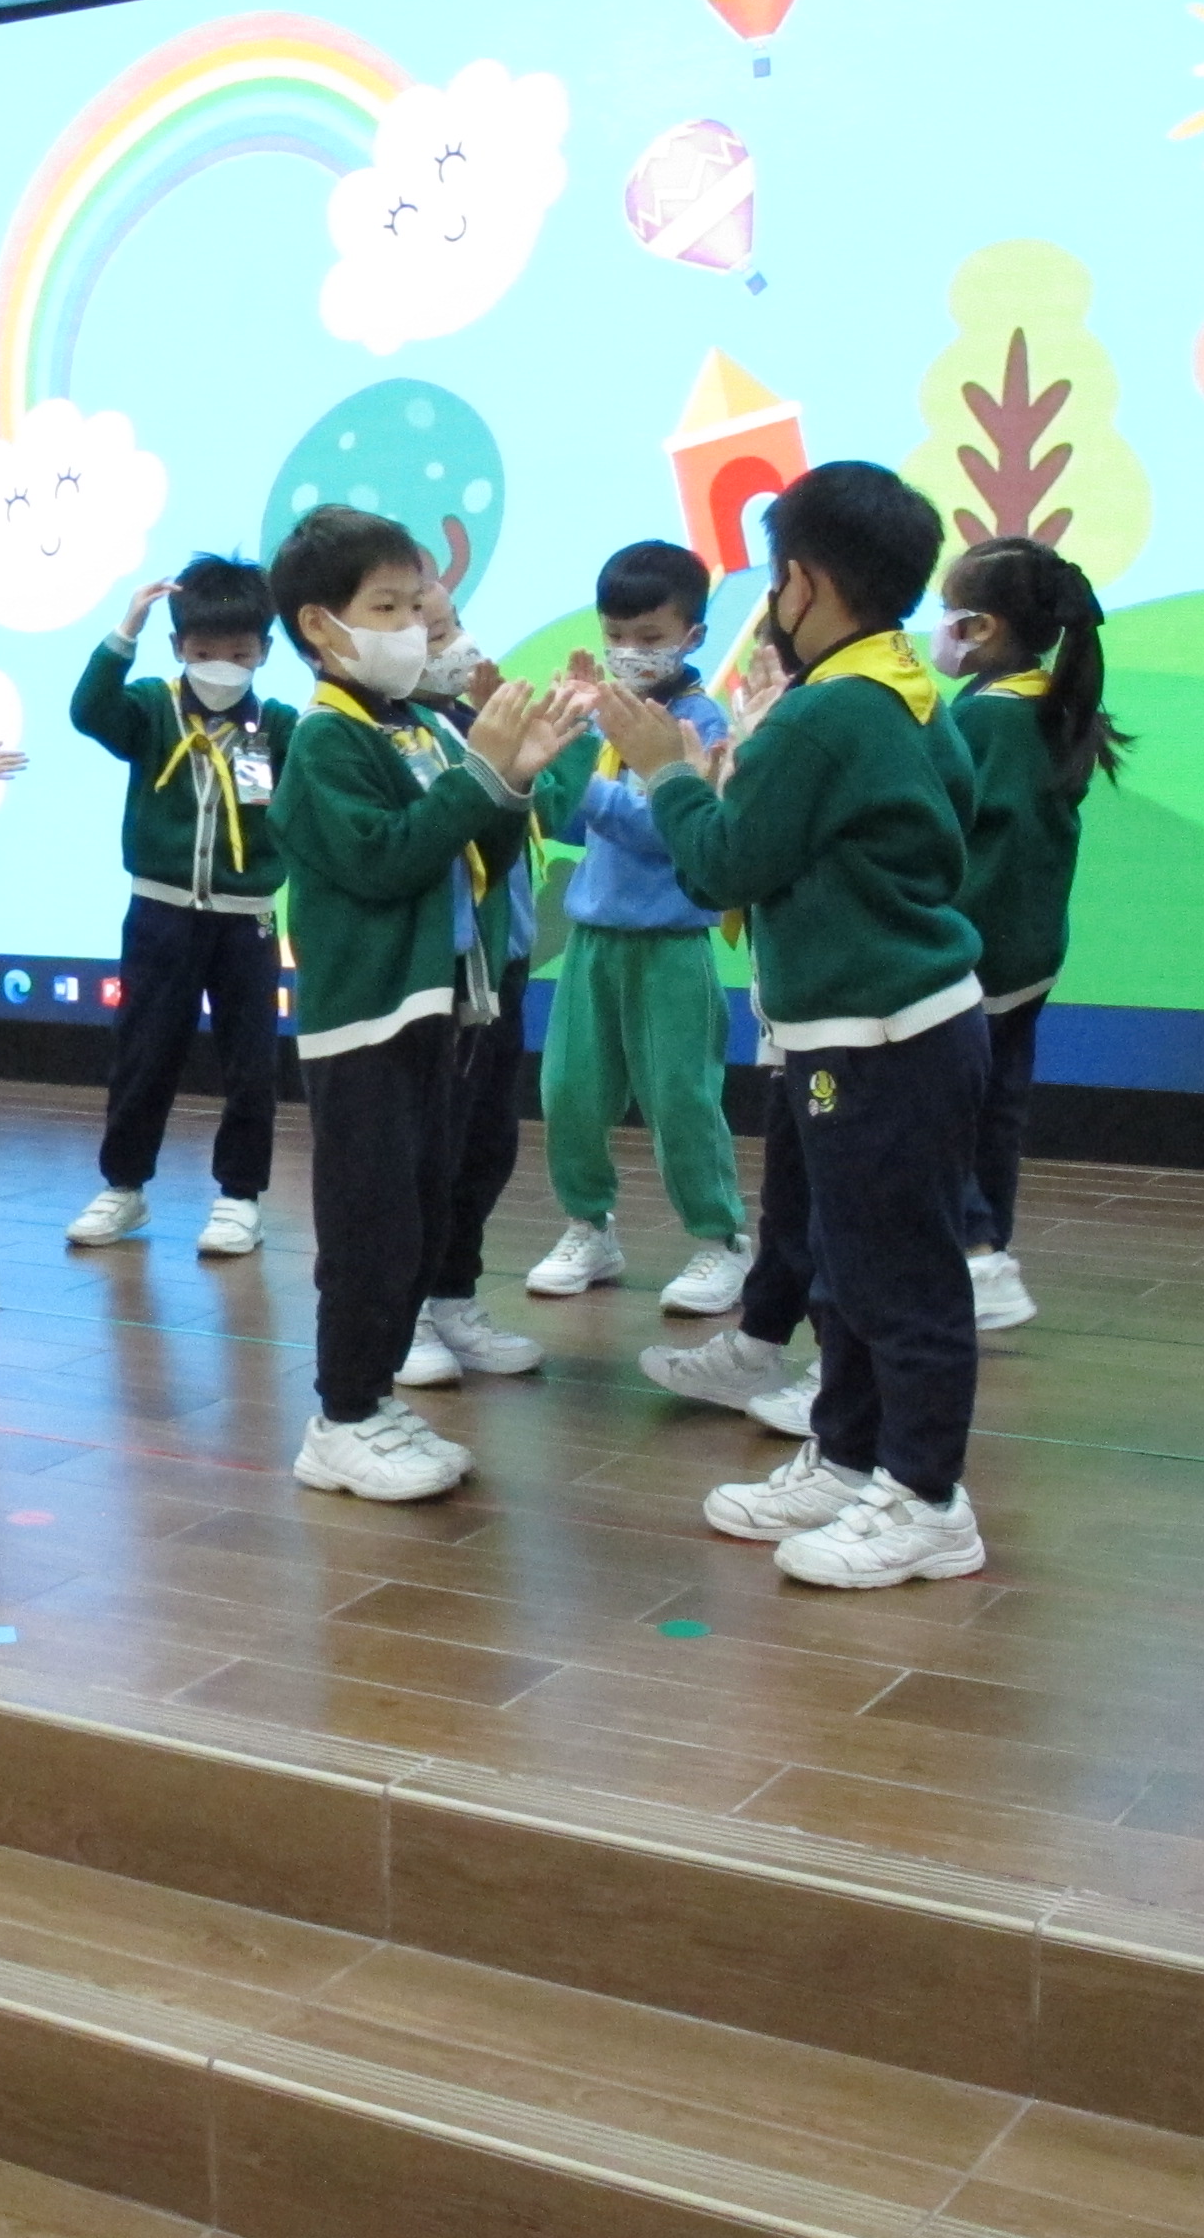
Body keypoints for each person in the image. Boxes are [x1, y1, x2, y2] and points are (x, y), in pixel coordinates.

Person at [632, 462, 991, 1590]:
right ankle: (847, 1458)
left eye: (775, 577)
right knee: (851, 1259)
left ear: (804, 581)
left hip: (878, 1036)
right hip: (886, 1026)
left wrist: (668, 776)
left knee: (898, 1277)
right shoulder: (903, 689)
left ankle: (927, 1499)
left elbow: (722, 865)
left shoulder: (826, 712)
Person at [269, 506, 581, 1502]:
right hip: (368, 1017)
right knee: (367, 1225)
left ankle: (373, 1397)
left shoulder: (411, 727)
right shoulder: (327, 739)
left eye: (417, 606)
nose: (413, 627)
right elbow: (384, 859)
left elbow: (478, 847)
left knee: (417, 1212)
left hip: (441, 1008)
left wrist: (512, 781)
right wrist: (480, 775)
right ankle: (341, 1417)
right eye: (388, 608)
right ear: (321, 626)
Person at [525, 541, 750, 1314]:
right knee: (570, 1094)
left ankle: (721, 1240)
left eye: (650, 637)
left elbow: (665, 827)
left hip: (672, 946)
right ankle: (589, 1226)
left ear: (693, 636)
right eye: (616, 635)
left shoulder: (699, 721)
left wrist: (586, 785)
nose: (629, 652)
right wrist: (551, 755)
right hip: (593, 941)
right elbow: (572, 821)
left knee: (682, 1099)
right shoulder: (605, 715)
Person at [64, 555, 296, 1259]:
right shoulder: (150, 708)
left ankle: (239, 1197)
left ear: (265, 652)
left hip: (247, 920)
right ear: (177, 648)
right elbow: (88, 713)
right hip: (160, 915)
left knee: (250, 1062)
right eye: (203, 652)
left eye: (240, 654)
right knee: (145, 1053)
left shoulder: (279, 725)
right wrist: (124, 631)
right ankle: (124, 1186)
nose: (222, 667)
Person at [934, 534, 1128, 1333]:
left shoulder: (987, 717)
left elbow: (969, 842)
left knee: (938, 1115)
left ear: (983, 627)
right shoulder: (1051, 702)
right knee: (995, 1114)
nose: (939, 628)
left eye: (950, 612)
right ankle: (984, 1259)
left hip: (976, 956)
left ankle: (978, 1253)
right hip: (1030, 955)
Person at [399, 547, 548, 1385]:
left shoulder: (464, 720)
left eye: (453, 625)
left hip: (503, 962)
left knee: (487, 1142)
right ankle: (405, 1309)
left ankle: (453, 1293)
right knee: (427, 1149)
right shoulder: (380, 737)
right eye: (433, 633)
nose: (458, 647)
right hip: (440, 976)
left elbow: (524, 828)